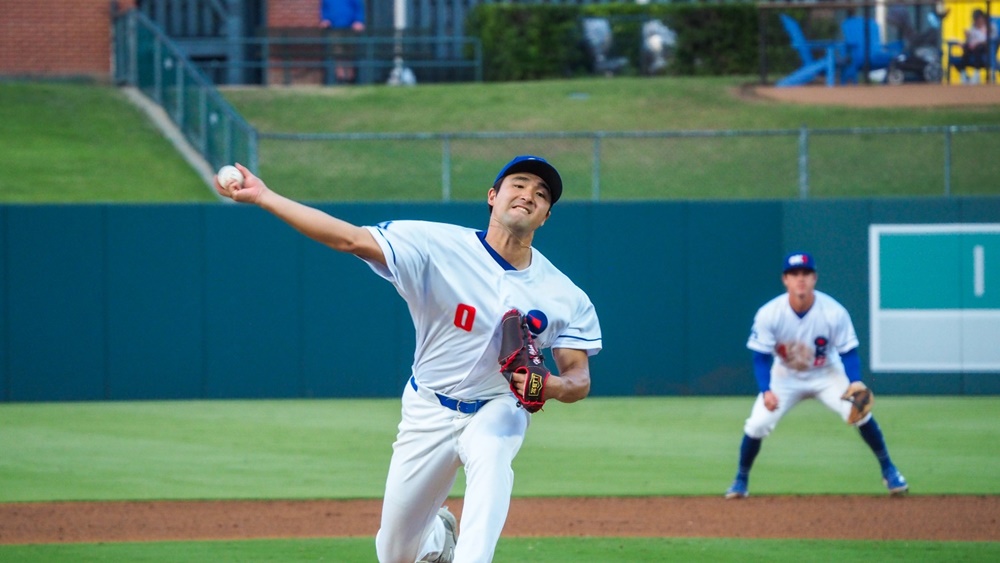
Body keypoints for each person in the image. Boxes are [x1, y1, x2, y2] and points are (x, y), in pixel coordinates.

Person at [215, 156, 602, 562]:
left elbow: (579, 377)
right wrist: (264, 196)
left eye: (541, 194)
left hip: (497, 405)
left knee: (492, 455)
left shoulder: (564, 294)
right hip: (428, 408)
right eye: (518, 184)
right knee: (394, 552)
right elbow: (348, 239)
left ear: (545, 216)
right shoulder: (434, 245)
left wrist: (553, 385)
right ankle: (438, 537)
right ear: (493, 196)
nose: (529, 195)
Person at [724, 252, 908, 500]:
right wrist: (766, 389)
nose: (800, 279)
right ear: (785, 280)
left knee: (860, 412)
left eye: (806, 274)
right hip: (785, 375)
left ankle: (889, 469)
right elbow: (760, 357)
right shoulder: (769, 313)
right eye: (794, 274)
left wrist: (854, 380)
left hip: (826, 373)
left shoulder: (833, 312)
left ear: (814, 278)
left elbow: (849, 352)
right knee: (757, 424)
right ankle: (740, 480)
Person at [320, 0, 366, 83]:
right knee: (337, 52)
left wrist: (359, 21)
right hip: (334, 28)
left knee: (350, 53)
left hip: (351, 28)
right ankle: (340, 78)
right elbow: (324, 8)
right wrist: (325, 19)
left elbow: (359, 7)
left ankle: (350, 78)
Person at [953, 9, 998, 84]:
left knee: (978, 48)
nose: (977, 21)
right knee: (966, 48)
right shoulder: (973, 26)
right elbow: (971, 39)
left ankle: (976, 74)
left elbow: (993, 38)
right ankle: (964, 74)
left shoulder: (990, 26)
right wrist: (967, 38)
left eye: (978, 18)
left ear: (982, 18)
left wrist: (980, 43)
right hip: (972, 48)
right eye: (975, 19)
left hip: (985, 48)